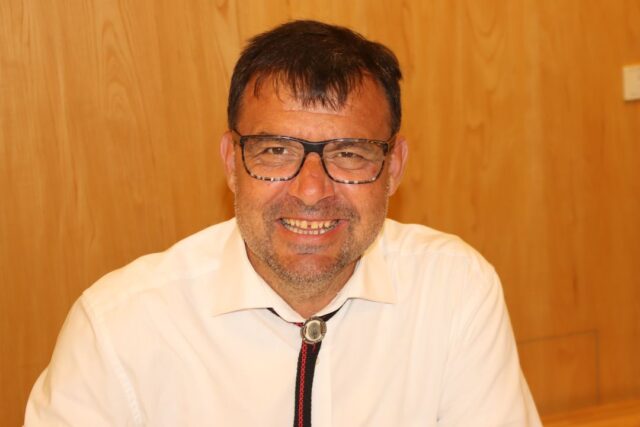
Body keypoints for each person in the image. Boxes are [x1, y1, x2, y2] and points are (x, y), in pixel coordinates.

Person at [25, 20, 541, 426]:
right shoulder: (118, 328)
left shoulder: (453, 290)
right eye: (275, 151)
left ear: (394, 168)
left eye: (349, 153)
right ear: (231, 163)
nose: (311, 191)